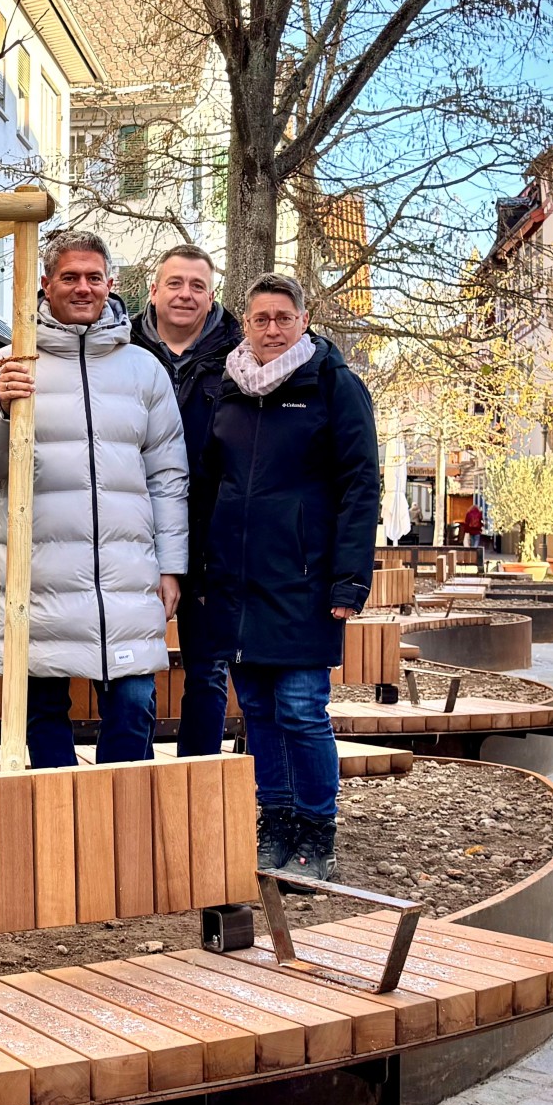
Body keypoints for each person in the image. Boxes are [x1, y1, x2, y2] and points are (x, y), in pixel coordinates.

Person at [0, 230, 189, 770]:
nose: (83, 288)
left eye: (93, 277)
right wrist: (3, 410)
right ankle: (57, 827)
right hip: (38, 573)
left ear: (111, 284)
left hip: (126, 574)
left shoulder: (143, 370)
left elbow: (168, 476)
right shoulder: (8, 364)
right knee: (41, 711)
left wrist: (172, 566)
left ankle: (117, 822)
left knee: (134, 707)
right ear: (45, 284)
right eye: (69, 277)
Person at [199, 273, 379, 884]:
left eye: (283, 317)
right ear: (244, 323)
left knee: (303, 710)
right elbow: (207, 487)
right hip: (239, 583)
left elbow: (361, 486)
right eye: (260, 319)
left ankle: (315, 829)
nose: (271, 329)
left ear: (303, 321)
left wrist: (350, 580)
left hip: (304, 581)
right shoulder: (227, 388)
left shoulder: (333, 386)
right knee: (257, 710)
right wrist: (202, 569)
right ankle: (273, 823)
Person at [130, 243, 243, 756]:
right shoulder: (118, 349)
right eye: (174, 283)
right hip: (126, 532)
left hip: (212, 539)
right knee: (131, 672)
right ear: (153, 291)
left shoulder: (241, 359)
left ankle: (193, 786)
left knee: (207, 670)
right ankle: (135, 784)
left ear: (212, 294)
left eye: (197, 285)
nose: (185, 294)